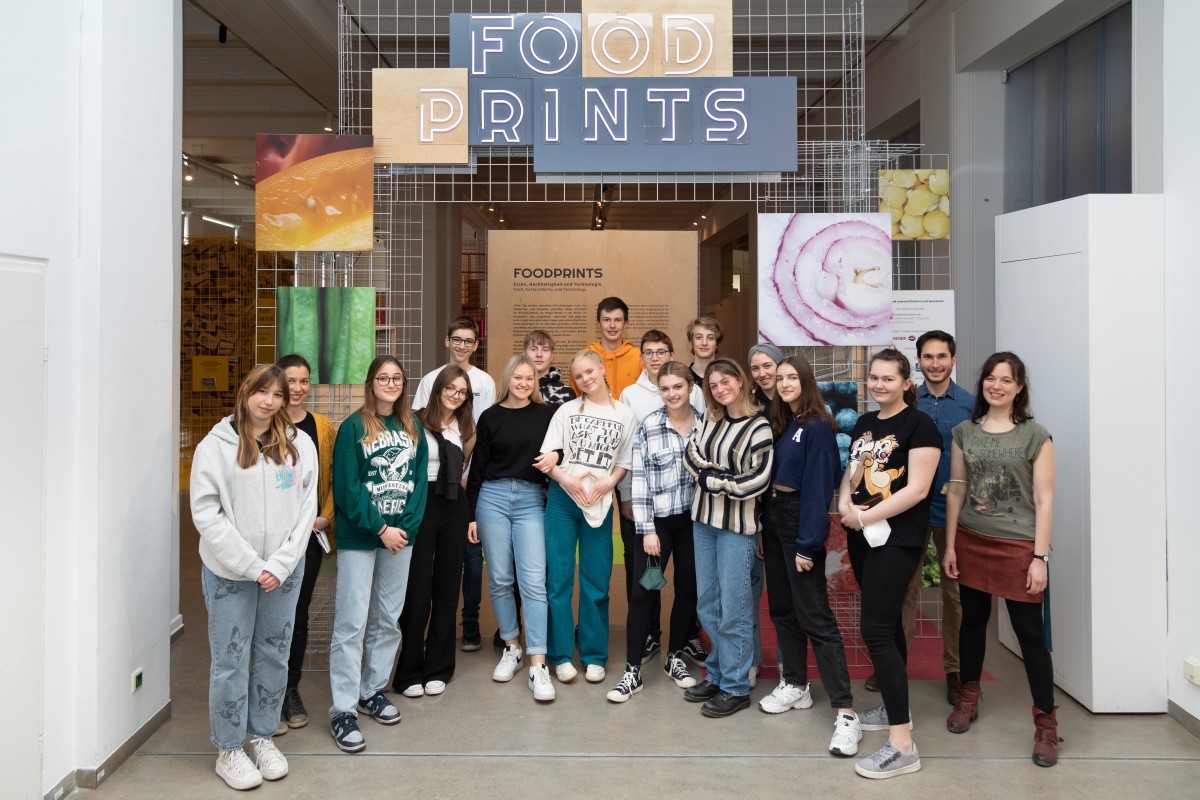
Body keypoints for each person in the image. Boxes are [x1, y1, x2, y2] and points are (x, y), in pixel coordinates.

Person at [190, 364, 318, 790]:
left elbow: (306, 510)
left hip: (283, 571)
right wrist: (252, 565)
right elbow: (207, 514)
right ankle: (229, 747)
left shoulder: (299, 444)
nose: (269, 401)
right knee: (230, 660)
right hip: (231, 572)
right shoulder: (215, 446)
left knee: (274, 654)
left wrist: (280, 564)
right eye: (262, 392)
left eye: (278, 395)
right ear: (246, 392)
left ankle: (262, 736)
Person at [942, 352, 1059, 767]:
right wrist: (952, 546)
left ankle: (1046, 723)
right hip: (973, 540)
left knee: (1030, 635)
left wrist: (1039, 557)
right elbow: (956, 490)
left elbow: (1044, 502)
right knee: (973, 623)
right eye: (990, 378)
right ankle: (968, 696)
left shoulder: (1035, 435)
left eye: (1006, 380)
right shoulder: (963, 432)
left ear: (1019, 386)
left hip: (1019, 548)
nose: (996, 386)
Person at [837, 348, 940, 779]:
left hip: (897, 539)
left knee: (875, 628)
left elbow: (916, 490)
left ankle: (903, 744)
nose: (879, 385)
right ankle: (899, 710)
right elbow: (853, 472)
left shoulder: (921, 426)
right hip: (862, 535)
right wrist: (845, 505)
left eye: (888, 379)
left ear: (906, 382)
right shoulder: (864, 423)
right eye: (874, 379)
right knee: (888, 625)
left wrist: (863, 516)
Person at [760, 356, 862, 756]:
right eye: (779, 378)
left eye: (791, 377)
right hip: (774, 517)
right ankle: (796, 685)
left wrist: (808, 543)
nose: (784, 383)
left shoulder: (818, 426)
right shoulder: (785, 424)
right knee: (783, 610)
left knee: (815, 617)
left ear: (806, 381)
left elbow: (820, 488)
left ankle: (846, 711)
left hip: (799, 519)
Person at [328, 356, 428, 754]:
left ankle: (372, 691)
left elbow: (419, 481)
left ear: (404, 384)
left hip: (400, 538)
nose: (390, 384)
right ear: (370, 383)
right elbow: (348, 487)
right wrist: (380, 528)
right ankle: (342, 709)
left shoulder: (412, 425)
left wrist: (403, 528)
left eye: (397, 378)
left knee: (388, 619)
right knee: (351, 623)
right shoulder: (354, 426)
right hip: (361, 537)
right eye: (383, 378)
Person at [539, 349, 637, 685]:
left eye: (589, 372)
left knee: (596, 582)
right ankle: (561, 655)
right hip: (564, 501)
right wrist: (567, 480)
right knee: (559, 580)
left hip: (599, 502)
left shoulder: (624, 414)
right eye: (578, 376)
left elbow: (624, 460)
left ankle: (595, 655)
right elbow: (549, 457)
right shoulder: (566, 411)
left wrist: (610, 482)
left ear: (601, 370)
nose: (585, 380)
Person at [682, 359, 773, 718]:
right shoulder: (709, 418)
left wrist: (712, 479)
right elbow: (691, 454)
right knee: (708, 603)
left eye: (726, 382)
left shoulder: (759, 427)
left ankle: (736, 686)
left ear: (741, 381)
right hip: (703, 522)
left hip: (737, 529)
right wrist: (720, 476)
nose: (720, 390)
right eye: (714, 386)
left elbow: (756, 481)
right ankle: (718, 674)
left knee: (734, 608)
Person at [607, 362, 702, 702]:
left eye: (678, 386)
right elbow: (642, 481)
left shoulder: (706, 427)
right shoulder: (649, 426)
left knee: (688, 589)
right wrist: (647, 530)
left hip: (692, 524)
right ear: (659, 391)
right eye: (665, 388)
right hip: (656, 525)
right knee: (644, 592)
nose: (672, 393)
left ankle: (675, 656)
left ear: (690, 387)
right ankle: (632, 671)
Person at [888, 330, 973, 704]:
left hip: (956, 514)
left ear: (953, 360)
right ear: (918, 361)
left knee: (955, 597)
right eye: (927, 357)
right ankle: (895, 666)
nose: (935, 363)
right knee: (904, 591)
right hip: (909, 511)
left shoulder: (972, 405)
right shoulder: (905, 403)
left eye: (942, 356)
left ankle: (956, 672)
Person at [467, 355, 558, 701]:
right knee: (501, 578)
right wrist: (471, 515)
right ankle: (512, 646)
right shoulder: (491, 417)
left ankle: (538, 663)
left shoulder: (547, 414)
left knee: (533, 580)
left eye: (529, 378)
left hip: (532, 499)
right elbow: (478, 468)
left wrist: (558, 458)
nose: (523, 383)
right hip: (492, 497)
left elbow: (560, 450)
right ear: (508, 379)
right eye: (517, 377)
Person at [393, 366, 475, 698]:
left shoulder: (467, 428)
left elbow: (465, 472)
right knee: (416, 590)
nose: (456, 395)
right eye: (450, 389)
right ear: (437, 389)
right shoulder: (412, 420)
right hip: (420, 503)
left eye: (462, 391)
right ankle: (409, 669)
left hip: (454, 506)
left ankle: (439, 666)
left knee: (446, 587)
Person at [413, 316, 494, 652]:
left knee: (466, 560)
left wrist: (464, 476)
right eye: (457, 339)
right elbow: (418, 430)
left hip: (463, 484)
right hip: (429, 486)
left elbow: (479, 431)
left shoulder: (485, 382)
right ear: (447, 341)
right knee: (424, 567)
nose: (463, 346)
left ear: (476, 345)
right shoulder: (430, 379)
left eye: (469, 341)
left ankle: (469, 621)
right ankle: (416, 636)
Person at [274, 355, 337, 735]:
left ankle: (289, 690)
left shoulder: (322, 427)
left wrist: (325, 516)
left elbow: (328, 481)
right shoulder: (264, 423)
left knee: (298, 613)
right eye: (290, 381)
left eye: (303, 381)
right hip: (270, 538)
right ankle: (265, 688)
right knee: (267, 613)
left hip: (309, 537)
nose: (297, 388)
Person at [745, 341, 784, 685]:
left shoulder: (798, 404)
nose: (762, 373)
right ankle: (752, 660)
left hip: (788, 512)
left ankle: (790, 667)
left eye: (766, 365)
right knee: (750, 595)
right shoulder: (748, 408)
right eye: (755, 368)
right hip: (755, 512)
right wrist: (756, 526)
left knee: (787, 600)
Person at [570, 297, 642, 398]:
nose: (612, 325)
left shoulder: (640, 357)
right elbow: (576, 398)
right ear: (598, 324)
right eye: (606, 320)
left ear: (625, 324)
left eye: (617, 320)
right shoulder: (583, 357)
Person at [525, 329, 576, 406]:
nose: (539, 354)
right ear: (524, 354)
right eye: (533, 349)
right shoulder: (516, 389)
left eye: (545, 350)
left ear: (552, 356)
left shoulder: (567, 393)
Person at [686, 316, 723, 385]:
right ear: (691, 343)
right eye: (699, 337)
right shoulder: (683, 378)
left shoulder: (726, 376)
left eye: (710, 338)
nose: (704, 343)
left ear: (717, 344)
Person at [748, 342, 783, 410]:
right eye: (755, 368)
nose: (762, 374)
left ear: (779, 366)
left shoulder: (793, 400)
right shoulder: (747, 404)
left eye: (767, 366)